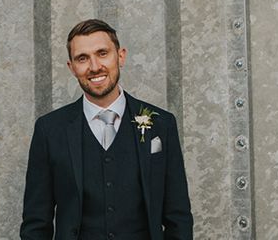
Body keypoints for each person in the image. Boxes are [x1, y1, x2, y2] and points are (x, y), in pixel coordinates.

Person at [20, 19, 192, 240]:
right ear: (72, 68)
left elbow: (178, 217)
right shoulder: (49, 130)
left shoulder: (162, 125)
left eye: (102, 53)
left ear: (120, 56)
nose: (94, 66)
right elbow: (36, 223)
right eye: (82, 58)